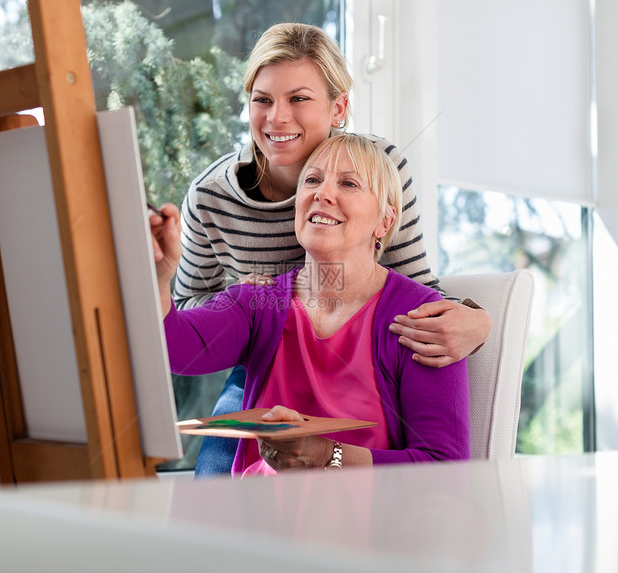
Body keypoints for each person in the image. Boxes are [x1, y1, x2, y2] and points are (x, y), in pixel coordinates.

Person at [176, 22, 489, 476]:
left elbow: (412, 288)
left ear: (338, 107)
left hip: (362, 347)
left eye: (299, 99)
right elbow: (187, 312)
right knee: (214, 481)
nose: (277, 118)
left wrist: (478, 320)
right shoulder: (211, 197)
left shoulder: (381, 166)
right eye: (262, 100)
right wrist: (242, 306)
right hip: (262, 351)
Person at [151, 134, 471, 476]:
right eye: (313, 180)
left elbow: (445, 467)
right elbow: (176, 348)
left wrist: (326, 456)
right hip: (253, 522)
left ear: (385, 221)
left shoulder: (421, 318)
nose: (323, 193)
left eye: (348, 183)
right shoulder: (260, 300)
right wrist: (157, 276)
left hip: (368, 524)